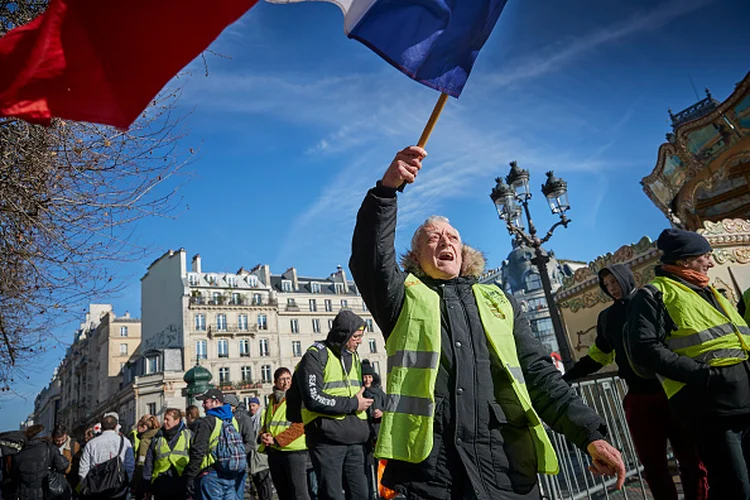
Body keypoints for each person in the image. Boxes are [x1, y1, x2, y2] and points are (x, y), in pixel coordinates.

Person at [349, 146, 626, 499]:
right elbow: (371, 256)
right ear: (416, 256)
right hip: (432, 472)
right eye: (432, 238)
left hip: (507, 465)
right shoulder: (402, 296)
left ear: (464, 254)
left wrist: (591, 434)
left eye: (452, 237)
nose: (444, 241)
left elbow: (539, 375)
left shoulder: (498, 301)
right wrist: (386, 191)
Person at [564, 265, 708, 500]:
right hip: (639, 400)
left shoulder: (651, 301)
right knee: (653, 465)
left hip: (674, 392)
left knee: (691, 459)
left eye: (615, 282)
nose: (612, 288)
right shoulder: (607, 317)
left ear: (627, 279)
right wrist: (565, 378)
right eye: (607, 285)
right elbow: (599, 354)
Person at [627, 228, 750, 500]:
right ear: (685, 261)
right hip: (710, 409)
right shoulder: (654, 294)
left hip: (741, 402)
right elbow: (645, 350)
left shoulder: (709, 291)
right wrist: (705, 376)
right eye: (705, 256)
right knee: (736, 489)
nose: (711, 262)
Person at [294, 310, 372, 500]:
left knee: (362, 493)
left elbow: (355, 391)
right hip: (327, 440)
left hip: (355, 439)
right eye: (356, 336)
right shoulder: (315, 356)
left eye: (361, 337)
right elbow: (313, 398)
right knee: (332, 494)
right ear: (343, 334)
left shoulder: (353, 357)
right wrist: (353, 403)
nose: (359, 341)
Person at [183, 389, 247, 500]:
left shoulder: (208, 421)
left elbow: (198, 449)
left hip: (211, 475)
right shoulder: (232, 419)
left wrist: (191, 476)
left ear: (215, 402)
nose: (203, 405)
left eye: (205, 402)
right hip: (230, 474)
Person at [260, 367, 310, 500]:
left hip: (295, 451)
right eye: (282, 379)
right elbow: (267, 422)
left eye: (288, 378)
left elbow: (300, 425)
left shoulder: (297, 398)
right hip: (275, 451)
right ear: (276, 382)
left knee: (299, 492)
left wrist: (276, 440)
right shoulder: (272, 400)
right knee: (282, 491)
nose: (286, 382)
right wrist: (263, 434)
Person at [79, 415, 135, 498]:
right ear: (116, 426)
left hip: (96, 487)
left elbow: (84, 468)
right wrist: (127, 482)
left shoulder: (91, 444)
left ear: (101, 427)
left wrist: (86, 485)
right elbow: (130, 465)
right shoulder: (125, 441)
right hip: (118, 488)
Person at [142, 408, 192, 499]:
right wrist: (147, 486)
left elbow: (195, 459)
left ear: (177, 420)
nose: (164, 422)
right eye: (164, 419)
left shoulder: (188, 435)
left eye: (167, 419)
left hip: (181, 484)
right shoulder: (157, 437)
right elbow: (149, 462)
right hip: (160, 484)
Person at [10, 424, 69, 500]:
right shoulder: (50, 448)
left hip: (24, 493)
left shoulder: (20, 451)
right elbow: (63, 465)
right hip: (45, 491)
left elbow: (14, 474)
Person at [241, 396, 273, 500]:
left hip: (262, 455)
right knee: (257, 483)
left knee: (264, 484)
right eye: (250, 406)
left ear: (258, 405)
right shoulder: (249, 418)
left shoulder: (262, 415)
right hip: (254, 456)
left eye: (253, 405)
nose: (251, 408)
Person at [361, 362, 384, 500]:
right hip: (365, 435)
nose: (367, 380)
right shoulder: (360, 393)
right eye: (365, 377)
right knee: (367, 468)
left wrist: (382, 413)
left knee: (380, 467)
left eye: (369, 377)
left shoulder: (380, 393)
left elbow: (390, 408)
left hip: (378, 434)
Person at [133, 414, 161, 499]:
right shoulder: (160, 436)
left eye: (138, 426)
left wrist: (135, 484)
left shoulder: (145, 440)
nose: (137, 429)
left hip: (145, 479)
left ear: (144, 427)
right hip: (158, 477)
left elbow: (141, 462)